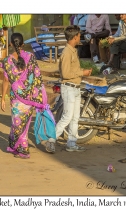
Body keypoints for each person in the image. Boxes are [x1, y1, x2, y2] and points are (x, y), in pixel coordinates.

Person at [1, 33, 48, 159]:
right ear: (23, 44)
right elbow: (37, 76)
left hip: (16, 97)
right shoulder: (31, 57)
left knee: (17, 123)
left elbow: (6, 81)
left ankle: (23, 149)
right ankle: (16, 146)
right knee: (23, 125)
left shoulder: (7, 61)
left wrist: (2, 98)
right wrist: (38, 94)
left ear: (11, 44)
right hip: (30, 97)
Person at [45, 25, 92, 153]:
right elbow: (65, 74)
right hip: (69, 88)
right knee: (67, 117)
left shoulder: (73, 50)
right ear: (75, 37)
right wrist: (82, 73)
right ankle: (51, 140)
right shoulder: (67, 52)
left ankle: (71, 143)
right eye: (79, 36)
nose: (80, 38)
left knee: (75, 117)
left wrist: (82, 72)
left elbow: (72, 70)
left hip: (75, 88)